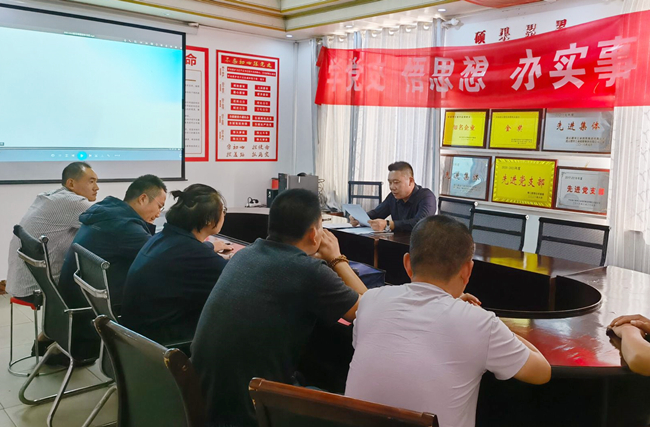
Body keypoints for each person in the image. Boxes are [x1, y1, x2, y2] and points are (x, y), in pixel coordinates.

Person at [345, 216, 551, 427]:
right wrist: (492, 323)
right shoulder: (479, 323)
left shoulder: (370, 301)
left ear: (407, 263)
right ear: (467, 270)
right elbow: (542, 372)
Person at [191, 189, 367, 427]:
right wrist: (337, 259)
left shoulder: (245, 255)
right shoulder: (308, 272)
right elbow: (368, 309)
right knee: (351, 411)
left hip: (209, 401)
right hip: (254, 410)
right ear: (314, 233)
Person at [6, 162, 99, 356]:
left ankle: (48, 339)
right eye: (91, 181)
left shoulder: (50, 196)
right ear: (71, 183)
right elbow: (108, 220)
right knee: (96, 287)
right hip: (38, 286)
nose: (96, 187)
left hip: (23, 280)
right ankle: (75, 348)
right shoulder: (72, 202)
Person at [121, 184, 232, 345]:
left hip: (136, 338)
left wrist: (209, 248)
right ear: (209, 219)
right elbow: (237, 283)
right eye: (223, 211)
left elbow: (190, 256)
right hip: (164, 345)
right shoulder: (195, 256)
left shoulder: (162, 238)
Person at [58, 174, 167, 311]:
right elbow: (162, 258)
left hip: (76, 299)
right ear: (143, 199)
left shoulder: (108, 212)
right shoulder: (125, 227)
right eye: (159, 206)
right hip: (95, 309)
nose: (158, 214)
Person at [350, 161, 436, 232]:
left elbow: (420, 223)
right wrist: (359, 218)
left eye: (396, 182)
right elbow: (377, 213)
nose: (392, 187)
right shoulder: (393, 197)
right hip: (396, 242)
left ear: (410, 181)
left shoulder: (427, 196)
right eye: (390, 183)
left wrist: (389, 224)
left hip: (419, 245)